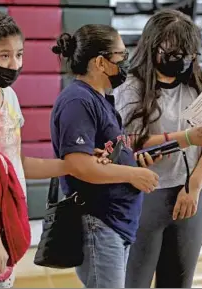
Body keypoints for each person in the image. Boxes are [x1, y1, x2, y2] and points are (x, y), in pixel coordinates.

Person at [0, 12, 124, 288]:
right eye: (4, 55)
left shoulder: (9, 98)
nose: (14, 63)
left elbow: (19, 164)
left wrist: (76, 163)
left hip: (6, 222)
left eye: (19, 54)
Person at [114, 9, 202, 288]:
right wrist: (186, 137)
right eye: (173, 51)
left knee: (178, 283)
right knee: (133, 282)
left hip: (191, 197)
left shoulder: (200, 88)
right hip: (144, 195)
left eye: (188, 52)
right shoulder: (130, 87)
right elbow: (130, 141)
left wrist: (195, 187)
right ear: (153, 46)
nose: (182, 58)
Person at [49, 25, 160, 288]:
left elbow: (103, 156)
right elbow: (78, 165)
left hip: (115, 222)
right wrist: (133, 173)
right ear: (100, 62)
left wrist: (132, 162)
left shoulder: (101, 98)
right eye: (121, 55)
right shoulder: (77, 101)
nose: (126, 62)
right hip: (98, 221)